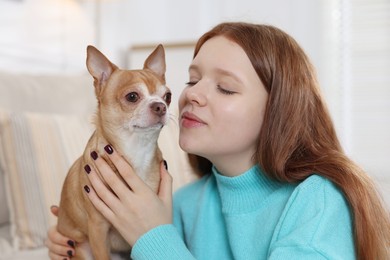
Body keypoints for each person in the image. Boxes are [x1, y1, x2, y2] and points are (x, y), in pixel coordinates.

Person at [46, 22, 390, 260]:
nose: (192, 95)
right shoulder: (182, 203)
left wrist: (155, 235)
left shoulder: (317, 202)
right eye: (191, 80)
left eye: (225, 87)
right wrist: (78, 241)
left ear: (279, 110)